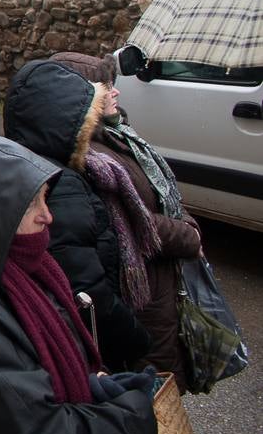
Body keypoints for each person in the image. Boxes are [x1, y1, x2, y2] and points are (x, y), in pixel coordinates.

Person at [0, 136, 158, 434]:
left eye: (45, 199)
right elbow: (36, 430)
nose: (47, 215)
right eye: (32, 203)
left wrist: (92, 383)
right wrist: (133, 418)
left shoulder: (24, 264)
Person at [50, 52, 202, 387]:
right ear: (82, 98)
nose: (116, 92)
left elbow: (157, 195)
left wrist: (181, 215)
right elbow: (131, 224)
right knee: (154, 393)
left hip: (159, 289)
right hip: (142, 297)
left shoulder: (115, 136)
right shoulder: (87, 158)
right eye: (105, 87)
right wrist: (187, 235)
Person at [4, 60, 152, 372]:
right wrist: (135, 339)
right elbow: (85, 286)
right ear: (66, 120)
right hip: (90, 345)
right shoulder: (61, 184)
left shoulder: (28, 165)